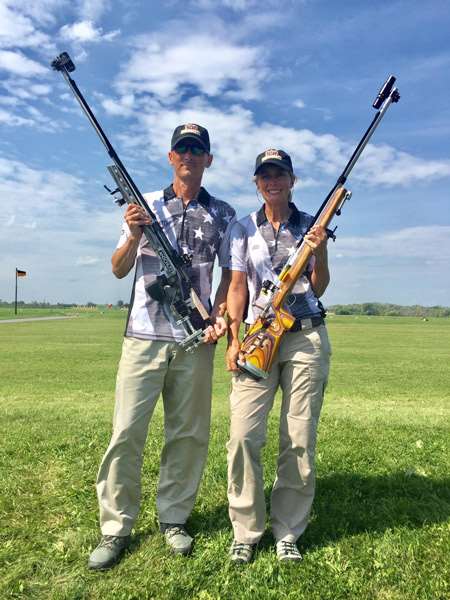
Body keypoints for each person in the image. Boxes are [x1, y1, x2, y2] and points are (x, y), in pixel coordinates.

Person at [88, 123, 236, 570]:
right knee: (126, 433)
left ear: (209, 159)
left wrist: (222, 317)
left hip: (196, 340)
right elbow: (118, 269)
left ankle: (174, 518)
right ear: (170, 157)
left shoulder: (225, 214)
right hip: (143, 337)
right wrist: (133, 235)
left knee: (188, 436)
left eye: (197, 149)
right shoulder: (145, 205)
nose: (189, 155)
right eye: (182, 149)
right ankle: (115, 528)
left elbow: (230, 278)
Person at [225, 149, 331, 563]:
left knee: (299, 437)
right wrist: (234, 339)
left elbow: (319, 287)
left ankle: (287, 529)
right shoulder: (241, 228)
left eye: (280, 174)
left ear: (292, 180)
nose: (272, 181)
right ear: (257, 182)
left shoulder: (310, 226)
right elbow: (237, 286)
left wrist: (318, 251)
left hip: (305, 336)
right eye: (265, 175)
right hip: (257, 337)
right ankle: (246, 530)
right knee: (243, 435)